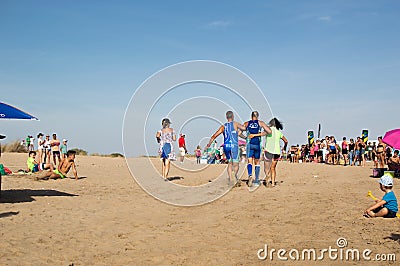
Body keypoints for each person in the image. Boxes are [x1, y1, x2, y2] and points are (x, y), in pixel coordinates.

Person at [206, 111, 246, 185]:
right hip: (234, 146)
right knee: (236, 164)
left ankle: (231, 179)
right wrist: (241, 129)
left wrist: (208, 145)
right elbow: (244, 128)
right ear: (233, 116)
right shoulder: (235, 124)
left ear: (226, 117)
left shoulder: (223, 126)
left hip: (226, 146)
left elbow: (214, 136)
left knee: (230, 163)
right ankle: (234, 176)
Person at [239, 111, 272, 188]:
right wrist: (258, 134)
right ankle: (256, 180)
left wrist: (246, 137)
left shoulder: (246, 123)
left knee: (249, 161)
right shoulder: (260, 123)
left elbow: (239, 133)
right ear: (258, 116)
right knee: (257, 162)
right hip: (257, 144)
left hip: (249, 144)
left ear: (251, 116)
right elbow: (269, 131)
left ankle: (250, 175)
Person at [256, 118, 288, 188]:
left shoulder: (268, 130)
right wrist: (285, 147)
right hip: (277, 152)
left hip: (268, 151)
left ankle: (267, 178)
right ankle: (273, 183)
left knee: (266, 168)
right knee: (273, 168)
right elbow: (286, 141)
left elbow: (261, 134)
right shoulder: (278, 132)